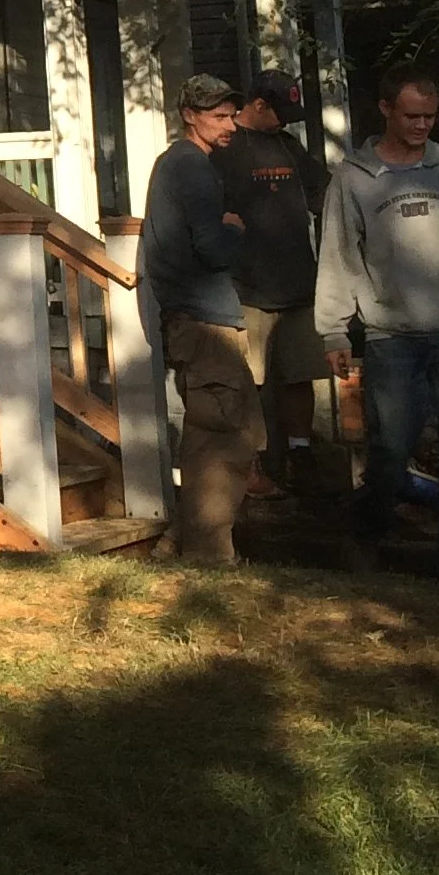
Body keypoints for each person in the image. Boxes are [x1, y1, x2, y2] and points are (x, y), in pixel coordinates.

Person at [316, 65, 439, 581]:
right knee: (390, 451)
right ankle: (366, 533)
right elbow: (339, 256)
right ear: (386, 109)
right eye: (412, 115)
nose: (421, 125)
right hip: (392, 340)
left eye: (430, 116)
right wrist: (333, 328)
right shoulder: (353, 178)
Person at [142, 74, 262, 563]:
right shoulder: (190, 166)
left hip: (198, 318)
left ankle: (178, 541)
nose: (230, 124)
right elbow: (211, 248)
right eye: (219, 116)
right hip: (204, 322)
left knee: (232, 432)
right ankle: (210, 555)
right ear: (190, 116)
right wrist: (233, 229)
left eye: (232, 114)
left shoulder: (181, 164)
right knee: (221, 442)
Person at [217, 73, 327, 487]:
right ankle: (258, 458)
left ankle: (301, 451)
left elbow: (324, 194)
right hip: (246, 286)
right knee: (252, 380)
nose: (287, 121)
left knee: (301, 373)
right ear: (259, 104)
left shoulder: (288, 146)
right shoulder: (225, 150)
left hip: (299, 283)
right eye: (281, 112)